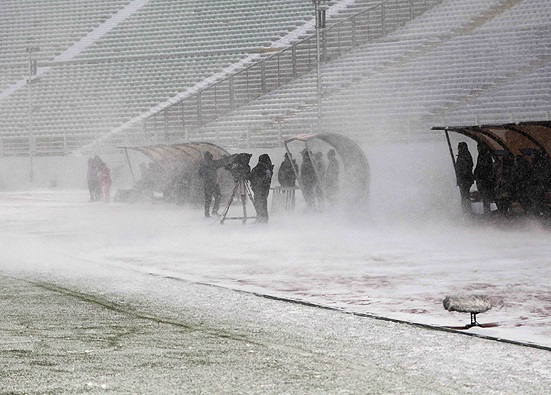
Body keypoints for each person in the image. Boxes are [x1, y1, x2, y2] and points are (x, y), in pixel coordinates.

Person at [250, 154, 274, 223]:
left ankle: (261, 217)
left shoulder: (261, 168)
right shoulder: (268, 168)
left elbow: (254, 176)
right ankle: (262, 217)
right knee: (262, 202)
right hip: (263, 189)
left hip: (259, 189)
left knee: (260, 203)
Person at [198, 151, 222, 217]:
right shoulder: (213, 163)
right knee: (218, 196)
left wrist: (205, 177)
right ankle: (214, 211)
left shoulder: (203, 165)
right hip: (214, 183)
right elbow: (221, 163)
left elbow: (199, 174)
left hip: (207, 183)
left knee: (208, 198)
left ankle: (207, 213)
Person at [473, 143, 495, 214]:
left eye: (478, 148)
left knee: (485, 195)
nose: (477, 149)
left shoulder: (483, 156)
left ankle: (487, 210)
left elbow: (482, 168)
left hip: (484, 180)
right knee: (485, 195)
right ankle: (487, 210)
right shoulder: (484, 155)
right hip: (483, 180)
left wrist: (478, 175)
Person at [454, 142, 474, 213]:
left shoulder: (464, 156)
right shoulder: (464, 155)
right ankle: (466, 210)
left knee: (465, 196)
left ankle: (467, 211)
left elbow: (466, 167)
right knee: (465, 196)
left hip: (464, 180)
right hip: (464, 179)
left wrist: (461, 174)